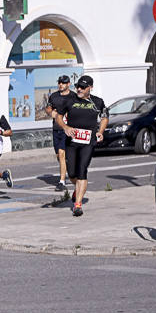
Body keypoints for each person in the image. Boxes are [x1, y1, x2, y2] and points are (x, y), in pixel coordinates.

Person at [54, 75, 109, 217]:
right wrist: (65, 127)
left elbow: (104, 117)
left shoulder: (98, 102)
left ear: (90, 88)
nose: (79, 89)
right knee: (72, 173)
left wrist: (100, 132)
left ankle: (77, 205)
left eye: (83, 87)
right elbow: (58, 116)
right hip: (72, 142)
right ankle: (77, 189)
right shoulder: (69, 100)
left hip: (88, 142)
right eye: (78, 86)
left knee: (82, 170)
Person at [43, 74, 77, 190]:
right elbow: (48, 107)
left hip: (68, 130)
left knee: (62, 154)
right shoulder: (54, 96)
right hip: (56, 129)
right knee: (59, 156)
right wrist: (50, 112)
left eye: (63, 83)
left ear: (68, 84)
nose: (60, 85)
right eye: (59, 83)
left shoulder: (74, 97)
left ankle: (62, 182)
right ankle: (68, 166)